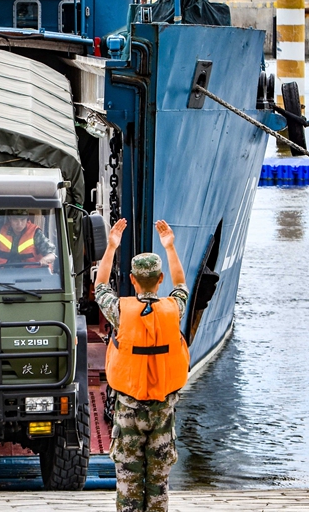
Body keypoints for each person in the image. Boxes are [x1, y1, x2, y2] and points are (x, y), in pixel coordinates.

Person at [95, 218, 190, 512]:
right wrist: (170, 247)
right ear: (160, 279)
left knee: (128, 484)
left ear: (133, 280)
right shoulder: (173, 309)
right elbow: (182, 285)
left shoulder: (121, 311)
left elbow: (100, 286)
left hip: (128, 410)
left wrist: (111, 247)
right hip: (162, 410)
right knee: (158, 485)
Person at [0, 210, 56, 274]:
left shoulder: (35, 233)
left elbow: (52, 254)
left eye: (22, 220)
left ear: (27, 219)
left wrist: (45, 259)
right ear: (10, 219)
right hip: (3, 275)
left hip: (31, 276)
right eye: (15, 220)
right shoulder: (1, 232)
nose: (19, 224)